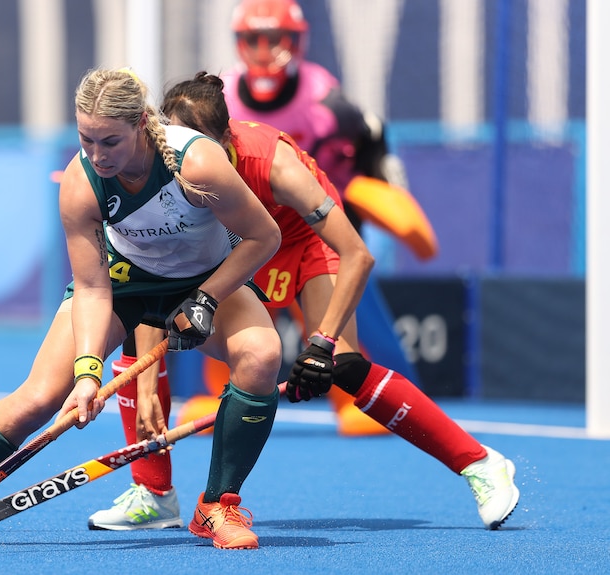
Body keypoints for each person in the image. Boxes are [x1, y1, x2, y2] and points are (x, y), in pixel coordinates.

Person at [0, 67, 284, 551]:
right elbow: (91, 288)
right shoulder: (82, 183)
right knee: (39, 397)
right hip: (123, 286)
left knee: (261, 354)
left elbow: (264, 236)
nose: (96, 154)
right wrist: (88, 373)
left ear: (143, 124)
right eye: (86, 139)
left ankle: (217, 506)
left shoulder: (198, 163)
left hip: (203, 281)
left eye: (110, 141)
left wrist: (206, 298)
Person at [87, 72, 519, 535]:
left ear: (225, 140)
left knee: (345, 366)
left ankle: (480, 463)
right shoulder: (159, 166)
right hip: (237, 246)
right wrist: (146, 384)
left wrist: (321, 343)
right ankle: (154, 496)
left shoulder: (275, 166)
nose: (181, 159)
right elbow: (154, 280)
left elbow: (357, 253)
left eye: (196, 145)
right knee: (146, 330)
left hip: (303, 241)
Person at [222, 0, 433, 436]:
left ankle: (369, 394)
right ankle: (224, 393)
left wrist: (377, 195)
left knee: (342, 339)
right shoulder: (220, 99)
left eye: (275, 38)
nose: (265, 50)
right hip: (247, 233)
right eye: (255, 39)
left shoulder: (325, 100)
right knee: (229, 315)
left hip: (312, 227)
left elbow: (366, 148)